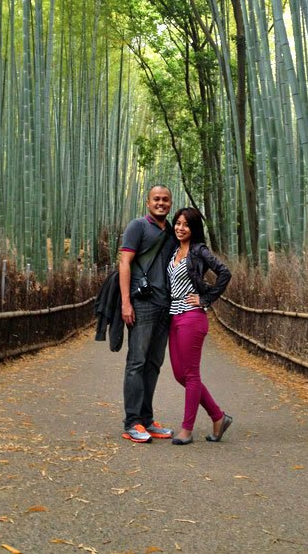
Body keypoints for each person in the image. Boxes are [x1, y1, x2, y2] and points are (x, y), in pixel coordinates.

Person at [167, 207, 233, 445]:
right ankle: (218, 416)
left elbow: (224, 272)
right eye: (177, 223)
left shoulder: (199, 250)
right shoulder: (174, 250)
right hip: (173, 316)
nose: (180, 228)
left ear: (194, 229)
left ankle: (187, 429)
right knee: (179, 374)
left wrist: (205, 299)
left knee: (191, 374)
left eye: (186, 224)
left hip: (192, 316)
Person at [118, 184, 176, 443]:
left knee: (154, 364)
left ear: (170, 203)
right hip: (142, 304)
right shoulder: (137, 226)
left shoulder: (174, 231)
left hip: (166, 306)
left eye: (165, 200)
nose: (161, 203)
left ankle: (147, 419)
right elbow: (124, 263)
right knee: (137, 362)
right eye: (156, 199)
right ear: (147, 202)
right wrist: (125, 303)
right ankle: (132, 422)